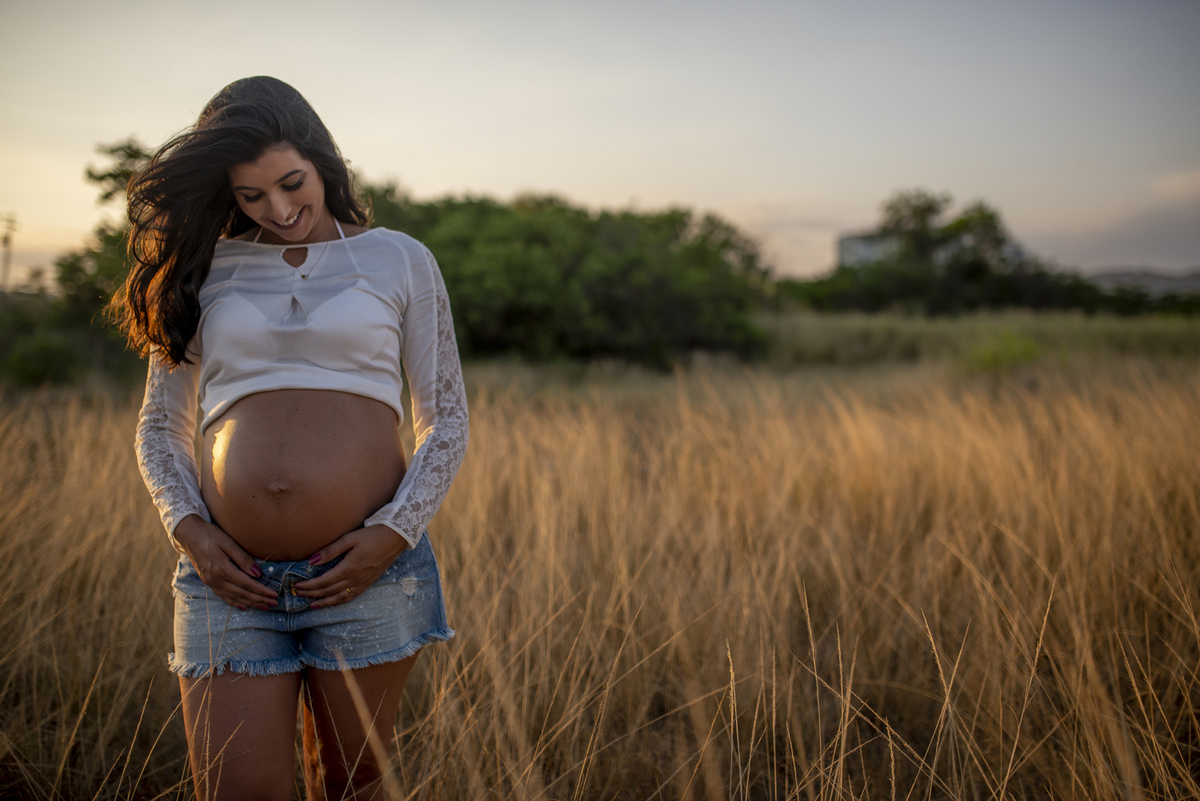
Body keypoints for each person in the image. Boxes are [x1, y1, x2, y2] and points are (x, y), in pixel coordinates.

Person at [112, 76, 468, 800]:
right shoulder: (201, 268)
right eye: (250, 196)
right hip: (230, 582)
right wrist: (189, 532)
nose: (277, 210)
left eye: (291, 183)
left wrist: (393, 533)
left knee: (351, 785)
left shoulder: (400, 258)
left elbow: (447, 418)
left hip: (368, 575)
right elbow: (159, 424)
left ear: (321, 161)